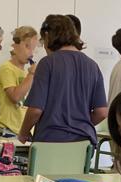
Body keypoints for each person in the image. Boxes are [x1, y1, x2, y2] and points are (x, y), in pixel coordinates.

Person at [18, 15, 107, 145]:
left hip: (50, 141)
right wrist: (79, 126)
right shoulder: (92, 66)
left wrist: (23, 133)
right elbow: (102, 112)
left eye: (43, 41)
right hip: (83, 143)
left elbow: (36, 110)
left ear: (48, 36)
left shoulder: (47, 63)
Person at [0, 26, 38, 135]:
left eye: (34, 49)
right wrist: (32, 74)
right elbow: (15, 97)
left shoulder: (25, 72)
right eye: (27, 47)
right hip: (9, 130)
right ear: (15, 46)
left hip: (22, 130)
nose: (31, 53)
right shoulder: (7, 68)